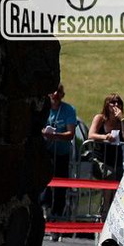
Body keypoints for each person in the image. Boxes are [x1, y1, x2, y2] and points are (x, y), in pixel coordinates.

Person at [89, 93, 124, 218]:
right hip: (99, 159)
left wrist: (122, 119)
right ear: (106, 105)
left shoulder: (123, 122)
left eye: (118, 103)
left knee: (118, 184)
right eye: (112, 102)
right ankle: (105, 208)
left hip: (116, 160)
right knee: (109, 177)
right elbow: (91, 135)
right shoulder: (100, 118)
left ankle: (112, 212)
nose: (115, 105)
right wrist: (105, 137)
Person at [42, 83, 77, 235]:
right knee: (44, 184)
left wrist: (54, 136)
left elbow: (70, 134)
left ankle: (57, 218)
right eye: (53, 92)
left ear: (62, 95)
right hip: (45, 153)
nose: (55, 95)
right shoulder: (43, 108)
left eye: (59, 92)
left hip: (61, 155)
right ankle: (43, 213)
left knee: (60, 186)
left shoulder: (69, 110)